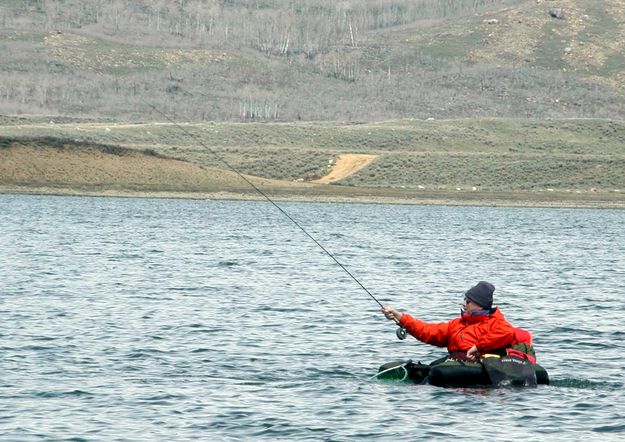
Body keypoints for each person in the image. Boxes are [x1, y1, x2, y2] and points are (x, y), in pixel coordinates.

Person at [381, 281, 534, 362]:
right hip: (457, 367)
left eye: (467, 301)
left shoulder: (496, 322)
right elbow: (428, 331)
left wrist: (478, 347)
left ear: (478, 304)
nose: (463, 303)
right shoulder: (456, 324)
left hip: (481, 372)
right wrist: (400, 317)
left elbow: (507, 333)